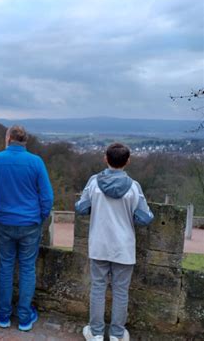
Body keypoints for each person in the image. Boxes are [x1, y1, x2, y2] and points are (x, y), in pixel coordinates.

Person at [75, 143, 154, 341]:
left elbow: (81, 208)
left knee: (98, 288)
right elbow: (146, 217)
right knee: (120, 292)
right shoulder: (134, 187)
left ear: (105, 159)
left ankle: (96, 333)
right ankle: (117, 334)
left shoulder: (94, 182)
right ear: (127, 161)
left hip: (99, 244)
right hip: (123, 247)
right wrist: (127, 217)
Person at [0, 125, 54, 332]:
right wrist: (40, 216)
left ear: (8, 138)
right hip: (30, 223)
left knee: (5, 266)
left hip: (5, 222)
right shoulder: (36, 162)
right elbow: (47, 196)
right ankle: (24, 317)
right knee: (27, 268)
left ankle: (3, 315)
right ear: (25, 141)